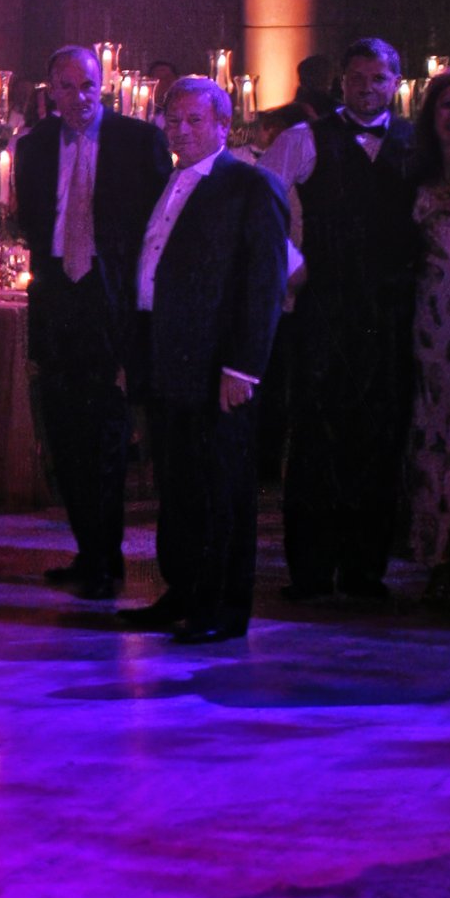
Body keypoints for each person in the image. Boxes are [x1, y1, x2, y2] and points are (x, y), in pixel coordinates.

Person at [118, 76, 290, 644]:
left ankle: (222, 607)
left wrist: (243, 367)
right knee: (178, 484)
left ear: (223, 125)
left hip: (217, 364)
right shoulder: (165, 181)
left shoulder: (249, 184)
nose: (182, 130)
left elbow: (265, 284)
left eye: (195, 121)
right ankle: (184, 590)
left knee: (222, 489)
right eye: (174, 120)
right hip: (165, 354)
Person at [12, 45, 172, 599]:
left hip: (112, 297)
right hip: (57, 294)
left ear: (102, 85)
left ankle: (108, 557)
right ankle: (88, 551)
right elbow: (31, 223)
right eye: (65, 86)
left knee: (107, 431)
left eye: (87, 86)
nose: (78, 97)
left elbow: (156, 226)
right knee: (63, 427)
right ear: (49, 91)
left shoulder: (138, 141)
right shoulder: (31, 148)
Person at [266, 39, 417, 601]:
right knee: (314, 436)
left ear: (396, 83)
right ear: (342, 82)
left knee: (379, 438)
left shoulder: (414, 144)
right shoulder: (303, 139)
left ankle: (364, 571)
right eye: (356, 76)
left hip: (391, 312)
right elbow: (265, 209)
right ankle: (309, 571)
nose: (365, 86)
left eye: (378, 77)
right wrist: (295, 267)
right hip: (323, 310)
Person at [408, 70, 450, 602]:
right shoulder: (416, 177)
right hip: (430, 327)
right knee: (436, 438)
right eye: (447, 106)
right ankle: (442, 558)